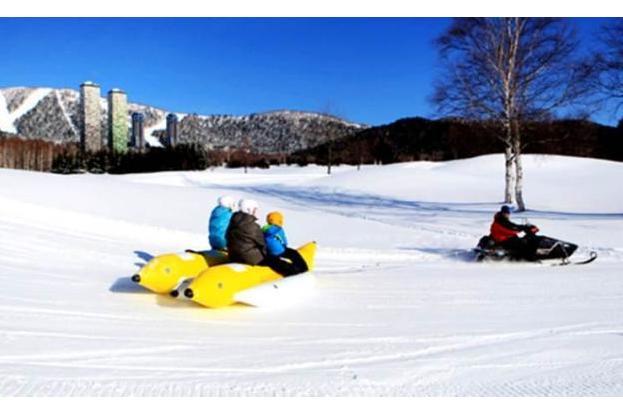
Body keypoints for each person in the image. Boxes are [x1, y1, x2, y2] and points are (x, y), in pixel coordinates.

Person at [226, 200, 304, 277]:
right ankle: (297, 273)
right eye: (254, 209)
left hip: (233, 255)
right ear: (249, 210)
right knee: (276, 262)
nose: (255, 212)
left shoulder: (233, 222)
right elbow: (262, 243)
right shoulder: (252, 226)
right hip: (250, 258)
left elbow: (227, 236)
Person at [262, 211, 308, 276]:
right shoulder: (278, 229)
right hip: (279, 251)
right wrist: (285, 245)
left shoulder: (264, 229)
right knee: (293, 253)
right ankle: (303, 269)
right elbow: (283, 240)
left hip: (269, 252)